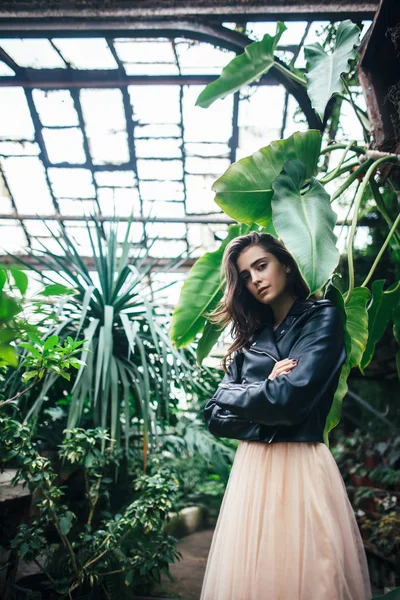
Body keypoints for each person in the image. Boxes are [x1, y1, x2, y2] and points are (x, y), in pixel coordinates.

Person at [199, 232, 372, 600]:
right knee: (254, 580)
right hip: (253, 472)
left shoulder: (320, 318)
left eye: (261, 266)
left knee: (313, 577)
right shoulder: (250, 342)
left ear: (287, 265)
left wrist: (235, 393)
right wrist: (260, 391)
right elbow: (214, 415)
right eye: (245, 275)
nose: (255, 279)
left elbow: (290, 402)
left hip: (300, 465)